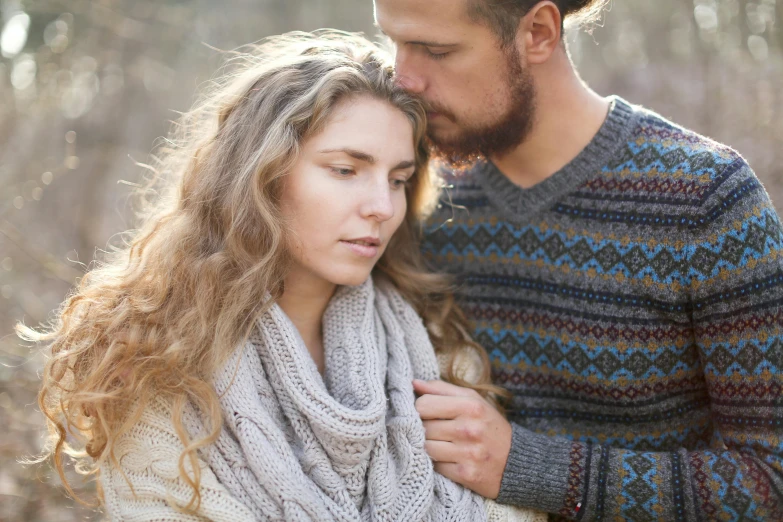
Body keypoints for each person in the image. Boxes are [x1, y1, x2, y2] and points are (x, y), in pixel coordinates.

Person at [20, 31, 545, 521]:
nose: (383, 207)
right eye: (345, 170)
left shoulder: (436, 353)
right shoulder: (153, 363)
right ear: (262, 175)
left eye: (399, 179)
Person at [374, 0, 783, 520]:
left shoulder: (705, 199)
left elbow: (770, 483)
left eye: (436, 50)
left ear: (538, 33)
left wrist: (529, 466)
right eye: (394, 42)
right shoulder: (411, 201)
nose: (404, 79)